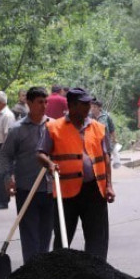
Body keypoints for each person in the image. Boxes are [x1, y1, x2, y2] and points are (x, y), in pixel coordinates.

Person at [37, 87, 115, 261]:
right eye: (84, 104)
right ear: (71, 106)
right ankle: (59, 272)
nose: (89, 107)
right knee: (63, 238)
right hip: (66, 191)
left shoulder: (99, 128)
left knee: (97, 238)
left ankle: (98, 275)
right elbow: (40, 153)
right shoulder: (53, 127)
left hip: (95, 190)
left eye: (89, 103)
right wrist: (49, 164)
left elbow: (106, 158)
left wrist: (109, 185)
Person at [0, 87, 54, 263]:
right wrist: (8, 178)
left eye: (46, 102)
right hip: (26, 188)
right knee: (29, 233)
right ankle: (30, 271)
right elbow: (5, 155)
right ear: (29, 103)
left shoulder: (54, 126)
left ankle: (43, 270)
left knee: (46, 233)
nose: (44, 106)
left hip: (50, 189)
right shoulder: (17, 129)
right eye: (40, 102)